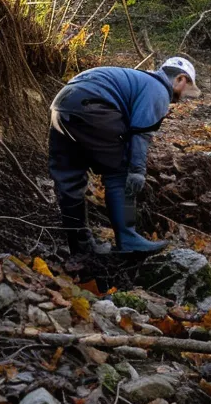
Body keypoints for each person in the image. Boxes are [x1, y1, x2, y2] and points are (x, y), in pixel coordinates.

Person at [49, 57, 201, 256]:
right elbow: (141, 132)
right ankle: (129, 240)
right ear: (181, 79)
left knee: (69, 177)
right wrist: (136, 170)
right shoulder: (158, 89)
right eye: (185, 91)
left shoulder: (139, 79)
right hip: (93, 107)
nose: (180, 99)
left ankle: (80, 247)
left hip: (61, 106)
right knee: (120, 171)